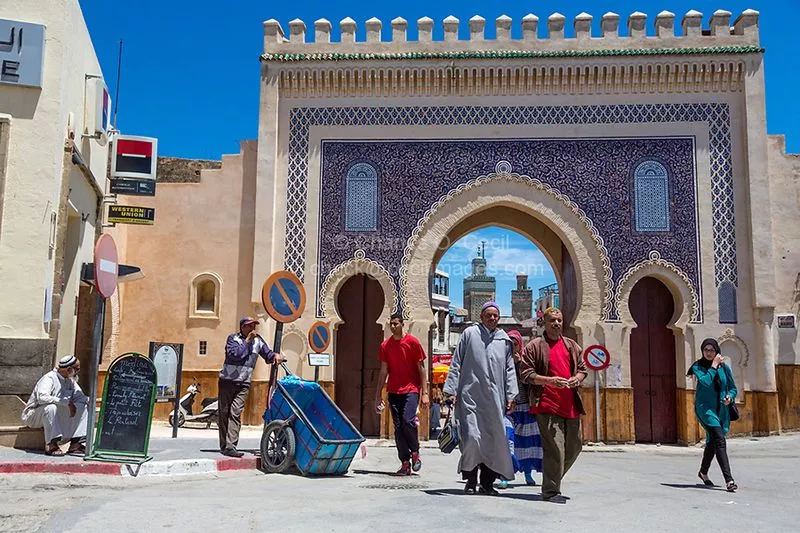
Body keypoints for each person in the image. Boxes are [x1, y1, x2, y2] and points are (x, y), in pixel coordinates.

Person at [443, 301, 518, 496]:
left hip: (495, 400)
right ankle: (470, 481)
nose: (492, 318)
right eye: (488, 315)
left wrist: (511, 395)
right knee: (473, 439)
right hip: (470, 398)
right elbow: (457, 362)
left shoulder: (504, 340)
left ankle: (487, 483)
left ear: (499, 318)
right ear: (481, 316)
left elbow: (510, 370)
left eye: (495, 315)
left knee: (492, 441)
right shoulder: (469, 334)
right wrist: (451, 390)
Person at [520, 307, 587, 503]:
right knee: (555, 449)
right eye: (552, 321)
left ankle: (552, 480)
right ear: (544, 323)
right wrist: (549, 381)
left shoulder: (571, 346)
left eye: (559, 320)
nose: (556, 324)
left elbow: (583, 369)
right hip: (547, 405)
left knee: (574, 447)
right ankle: (550, 491)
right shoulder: (535, 346)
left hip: (571, 405)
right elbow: (526, 374)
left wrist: (577, 378)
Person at [218, 317, 282, 457]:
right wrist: (247, 342)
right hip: (227, 382)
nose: (252, 328)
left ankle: (230, 446)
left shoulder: (258, 341)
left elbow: (267, 354)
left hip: (244, 383)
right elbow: (236, 355)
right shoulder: (233, 339)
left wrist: (274, 356)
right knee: (224, 413)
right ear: (242, 327)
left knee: (235, 412)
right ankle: (224, 444)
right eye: (249, 326)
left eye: (253, 326)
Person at [374, 312, 429, 476]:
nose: (393, 327)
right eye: (391, 324)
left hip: (411, 389)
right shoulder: (385, 345)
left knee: (408, 421)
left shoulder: (413, 343)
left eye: (396, 324)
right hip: (393, 390)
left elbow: (422, 368)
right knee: (398, 428)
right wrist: (378, 395)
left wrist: (425, 393)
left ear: (402, 324)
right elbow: (383, 371)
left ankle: (415, 451)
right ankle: (405, 462)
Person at [687, 338, 738, 492]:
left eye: (711, 350)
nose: (708, 353)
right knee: (720, 440)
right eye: (706, 350)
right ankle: (729, 480)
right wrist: (714, 366)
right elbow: (706, 382)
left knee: (712, 442)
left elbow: (733, 388)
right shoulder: (697, 367)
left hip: (721, 410)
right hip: (705, 409)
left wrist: (730, 397)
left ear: (716, 351)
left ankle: (703, 472)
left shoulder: (724, 368)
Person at [21, 355, 89, 456]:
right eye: (76, 369)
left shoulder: (70, 380)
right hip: (34, 415)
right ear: (69, 369)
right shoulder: (49, 378)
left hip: (56, 414)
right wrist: (66, 402)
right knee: (51, 407)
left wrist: (89, 400)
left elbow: (80, 397)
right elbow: (42, 398)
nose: (78, 372)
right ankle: (51, 444)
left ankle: (76, 444)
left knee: (83, 406)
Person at [506, 329, 543, 487]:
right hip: (508, 409)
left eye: (515, 344)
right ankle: (506, 474)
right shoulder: (500, 360)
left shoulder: (525, 361)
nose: (512, 347)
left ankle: (528, 473)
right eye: (509, 344)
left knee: (527, 443)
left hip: (525, 408)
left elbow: (529, 381)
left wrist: (519, 363)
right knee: (508, 442)